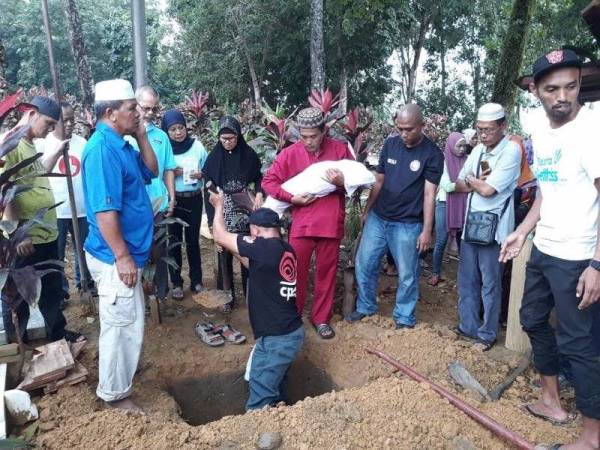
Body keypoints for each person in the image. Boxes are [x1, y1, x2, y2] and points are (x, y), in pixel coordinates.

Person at [501, 49, 600, 450]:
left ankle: (593, 435)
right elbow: (547, 189)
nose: (563, 96)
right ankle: (551, 401)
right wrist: (523, 231)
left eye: (571, 86)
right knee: (532, 319)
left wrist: (596, 263)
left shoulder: (592, 131)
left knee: (579, 342)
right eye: (552, 89)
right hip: (545, 247)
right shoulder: (540, 133)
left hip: (579, 255)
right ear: (535, 91)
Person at [82, 79, 158, 413]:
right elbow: (104, 210)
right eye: (132, 107)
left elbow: (151, 171)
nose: (138, 112)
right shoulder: (101, 150)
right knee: (121, 327)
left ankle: (119, 378)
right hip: (115, 258)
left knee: (127, 322)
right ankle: (115, 396)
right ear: (111, 113)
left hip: (125, 255)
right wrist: (123, 256)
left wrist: (141, 136)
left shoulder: (122, 143)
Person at [347, 104, 443, 329]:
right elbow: (379, 181)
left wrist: (427, 230)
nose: (403, 133)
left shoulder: (432, 154)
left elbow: (430, 194)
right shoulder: (390, 144)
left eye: (409, 129)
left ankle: (404, 317)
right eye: (400, 128)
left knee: (408, 273)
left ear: (422, 125)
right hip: (379, 218)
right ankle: (365, 307)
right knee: (364, 264)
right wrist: (367, 210)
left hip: (408, 224)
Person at [262, 107, 354, 339]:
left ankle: (321, 319)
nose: (308, 141)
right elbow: (269, 182)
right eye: (303, 136)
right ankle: (293, 316)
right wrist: (291, 198)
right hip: (302, 223)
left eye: (313, 136)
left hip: (331, 222)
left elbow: (360, 181)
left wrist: (343, 182)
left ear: (324, 131)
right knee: (294, 272)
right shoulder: (290, 154)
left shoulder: (340, 150)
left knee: (326, 272)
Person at [209, 191, 304, 410]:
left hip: (277, 338)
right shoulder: (284, 249)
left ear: (254, 230)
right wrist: (234, 249)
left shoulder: (263, 247)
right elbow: (253, 265)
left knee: (260, 398)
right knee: (274, 386)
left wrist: (218, 206)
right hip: (285, 333)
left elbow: (220, 236)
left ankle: (263, 435)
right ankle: (284, 418)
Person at [0, 96, 81, 343]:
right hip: (27, 238)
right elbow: (6, 189)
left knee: (52, 289)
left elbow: (33, 178)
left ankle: (57, 333)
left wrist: (55, 153)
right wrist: (17, 232)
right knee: (19, 294)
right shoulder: (11, 144)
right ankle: (18, 344)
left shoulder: (29, 143)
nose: (49, 131)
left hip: (45, 232)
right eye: (48, 124)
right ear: (32, 113)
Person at [453, 103, 521, 351]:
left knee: (491, 283)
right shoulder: (478, 150)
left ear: (502, 126)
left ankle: (487, 334)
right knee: (468, 279)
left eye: (489, 130)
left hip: (495, 229)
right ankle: (467, 326)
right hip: (472, 224)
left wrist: (474, 181)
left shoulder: (511, 151)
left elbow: (488, 189)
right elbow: (459, 184)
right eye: (480, 129)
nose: (483, 135)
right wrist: (474, 181)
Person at [204, 116, 263, 312]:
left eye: (231, 138)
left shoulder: (248, 155)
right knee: (224, 254)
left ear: (239, 136)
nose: (228, 142)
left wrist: (260, 193)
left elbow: (259, 177)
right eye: (224, 139)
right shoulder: (214, 158)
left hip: (246, 209)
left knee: (247, 250)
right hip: (224, 209)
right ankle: (226, 297)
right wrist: (214, 219)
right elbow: (209, 187)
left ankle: (251, 294)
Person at [36, 101, 91, 303]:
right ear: (54, 121)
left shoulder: (82, 143)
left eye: (72, 119)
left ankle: (85, 283)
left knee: (84, 250)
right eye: (64, 120)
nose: (69, 124)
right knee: (57, 255)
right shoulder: (43, 143)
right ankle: (61, 292)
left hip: (82, 209)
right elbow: (39, 173)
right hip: (56, 211)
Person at [127, 86, 176, 301]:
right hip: (134, 205)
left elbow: (168, 169)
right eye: (146, 107)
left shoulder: (162, 137)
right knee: (136, 251)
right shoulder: (125, 136)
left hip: (159, 203)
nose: (150, 112)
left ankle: (161, 294)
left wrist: (171, 196)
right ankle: (139, 296)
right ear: (135, 105)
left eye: (154, 108)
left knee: (161, 250)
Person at [161, 109, 208, 298]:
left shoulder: (197, 146)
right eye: (173, 129)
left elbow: (208, 167)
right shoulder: (165, 149)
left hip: (194, 198)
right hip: (174, 200)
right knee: (173, 242)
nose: (178, 132)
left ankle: (196, 280)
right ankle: (177, 283)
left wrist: (201, 174)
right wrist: (172, 172)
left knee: (192, 241)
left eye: (181, 128)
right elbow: (160, 172)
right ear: (167, 131)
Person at [429, 132, 468, 286]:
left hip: (462, 206)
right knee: (441, 241)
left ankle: (464, 277)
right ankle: (436, 273)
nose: (462, 149)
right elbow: (447, 186)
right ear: (451, 145)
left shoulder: (468, 160)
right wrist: (467, 186)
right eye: (459, 145)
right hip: (444, 205)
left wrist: (464, 186)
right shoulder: (444, 162)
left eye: (464, 146)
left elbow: (469, 181)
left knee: (462, 241)